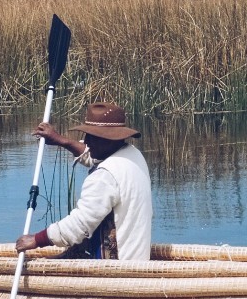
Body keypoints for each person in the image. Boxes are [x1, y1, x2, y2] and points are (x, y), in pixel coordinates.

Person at [14, 102, 153, 262]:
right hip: (137, 257)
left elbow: (80, 225)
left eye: (92, 137)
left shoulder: (105, 176)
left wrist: (36, 240)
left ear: (109, 139)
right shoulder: (132, 155)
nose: (86, 142)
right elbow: (93, 157)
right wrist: (61, 141)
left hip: (117, 268)